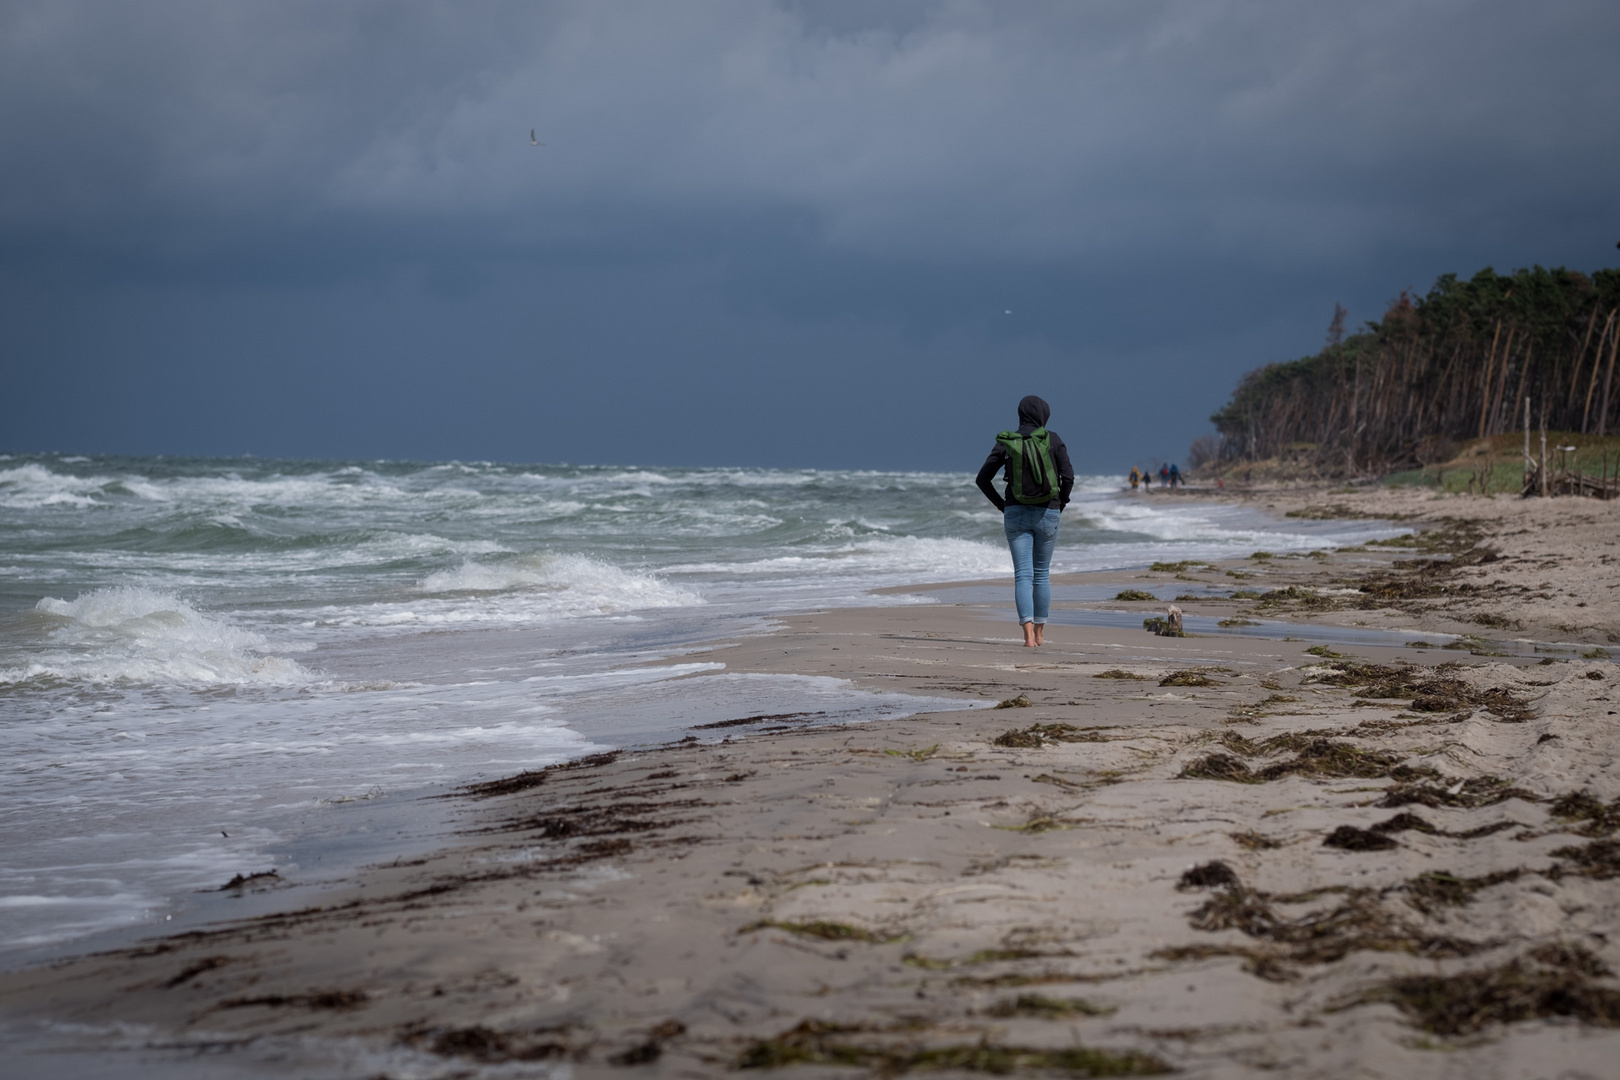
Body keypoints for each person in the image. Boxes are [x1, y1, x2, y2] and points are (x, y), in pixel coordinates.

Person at [975, 395, 1075, 648]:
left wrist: (1002, 506)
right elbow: (1069, 476)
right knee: (1041, 574)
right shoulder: (1053, 439)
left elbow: (982, 479)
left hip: (1015, 512)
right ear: (1044, 414)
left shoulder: (1008, 441)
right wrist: (1060, 503)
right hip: (1048, 513)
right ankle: (1041, 633)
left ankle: (1028, 636)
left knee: (1022, 575)